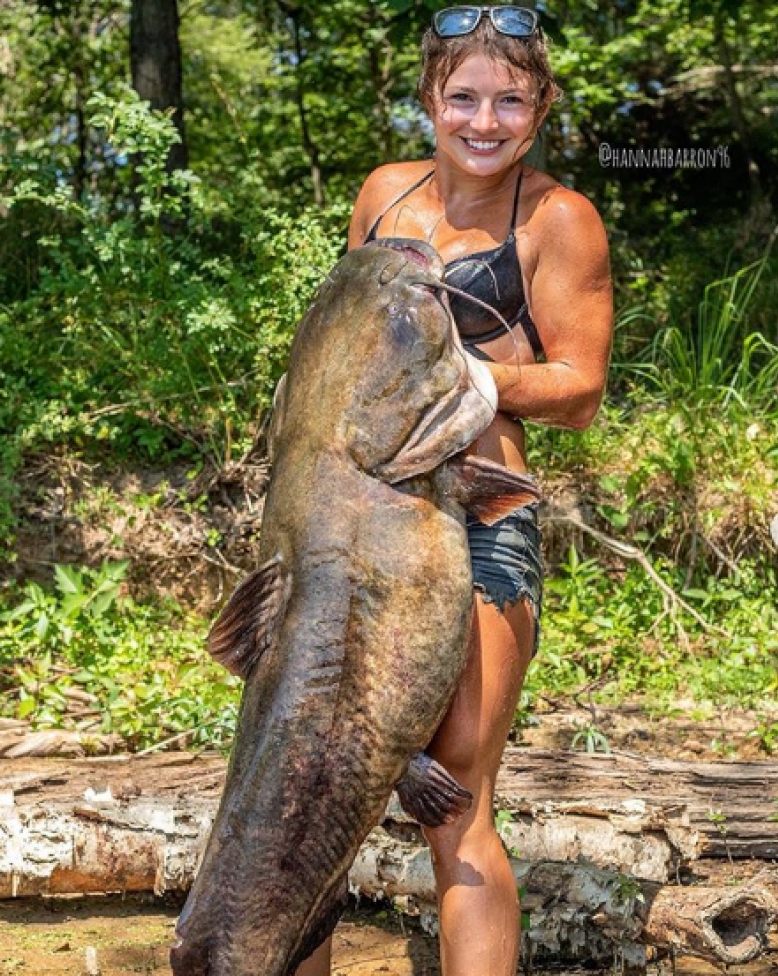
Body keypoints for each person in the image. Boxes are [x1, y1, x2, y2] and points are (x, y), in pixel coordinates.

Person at [299, 6, 612, 976]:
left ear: (540, 104)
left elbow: (581, 387)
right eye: (464, 96)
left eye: (509, 99)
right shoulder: (384, 197)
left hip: (485, 526)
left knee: (458, 800)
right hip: (364, 527)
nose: (485, 119)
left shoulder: (559, 220)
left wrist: (472, 377)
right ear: (431, 96)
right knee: (321, 800)